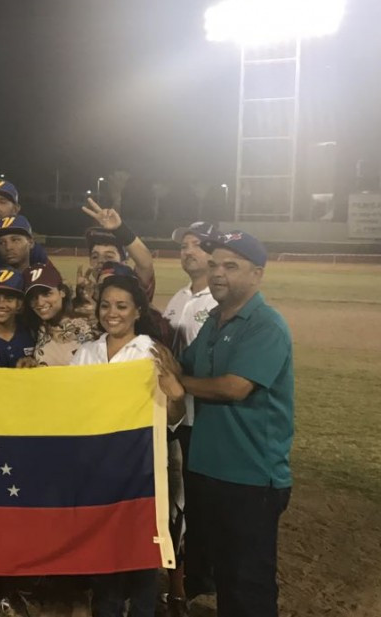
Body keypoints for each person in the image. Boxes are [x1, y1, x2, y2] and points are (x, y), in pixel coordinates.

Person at [161, 231, 293, 617]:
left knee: (247, 582)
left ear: (257, 274)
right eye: (215, 263)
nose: (218, 273)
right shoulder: (216, 320)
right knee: (219, 573)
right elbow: (183, 366)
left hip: (251, 477)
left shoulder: (266, 324)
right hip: (207, 468)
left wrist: (178, 382)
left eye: (231, 266)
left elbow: (235, 387)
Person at [70, 274, 184, 617]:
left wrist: (176, 396)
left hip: (141, 471)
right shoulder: (86, 353)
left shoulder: (151, 351)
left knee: (139, 550)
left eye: (121, 306)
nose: (112, 313)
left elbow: (172, 417)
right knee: (103, 550)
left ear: (137, 310)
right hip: (96, 469)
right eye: (105, 305)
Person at [159, 221, 219, 615]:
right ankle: (184, 575)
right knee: (179, 498)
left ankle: (200, 576)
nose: (188, 251)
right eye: (184, 245)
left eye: (197, 245)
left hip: (205, 417)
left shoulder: (219, 301)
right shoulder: (179, 297)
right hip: (175, 413)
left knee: (201, 499)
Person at [74, 198, 156, 313]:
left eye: (109, 257)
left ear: (124, 262)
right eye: (95, 257)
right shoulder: (88, 295)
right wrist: (80, 299)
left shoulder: (134, 289)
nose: (101, 261)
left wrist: (120, 229)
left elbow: (145, 263)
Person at [20, 264, 96, 367]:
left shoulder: (90, 322)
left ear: (62, 292)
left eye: (46, 294)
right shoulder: (35, 329)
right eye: (33, 297)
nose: (40, 303)